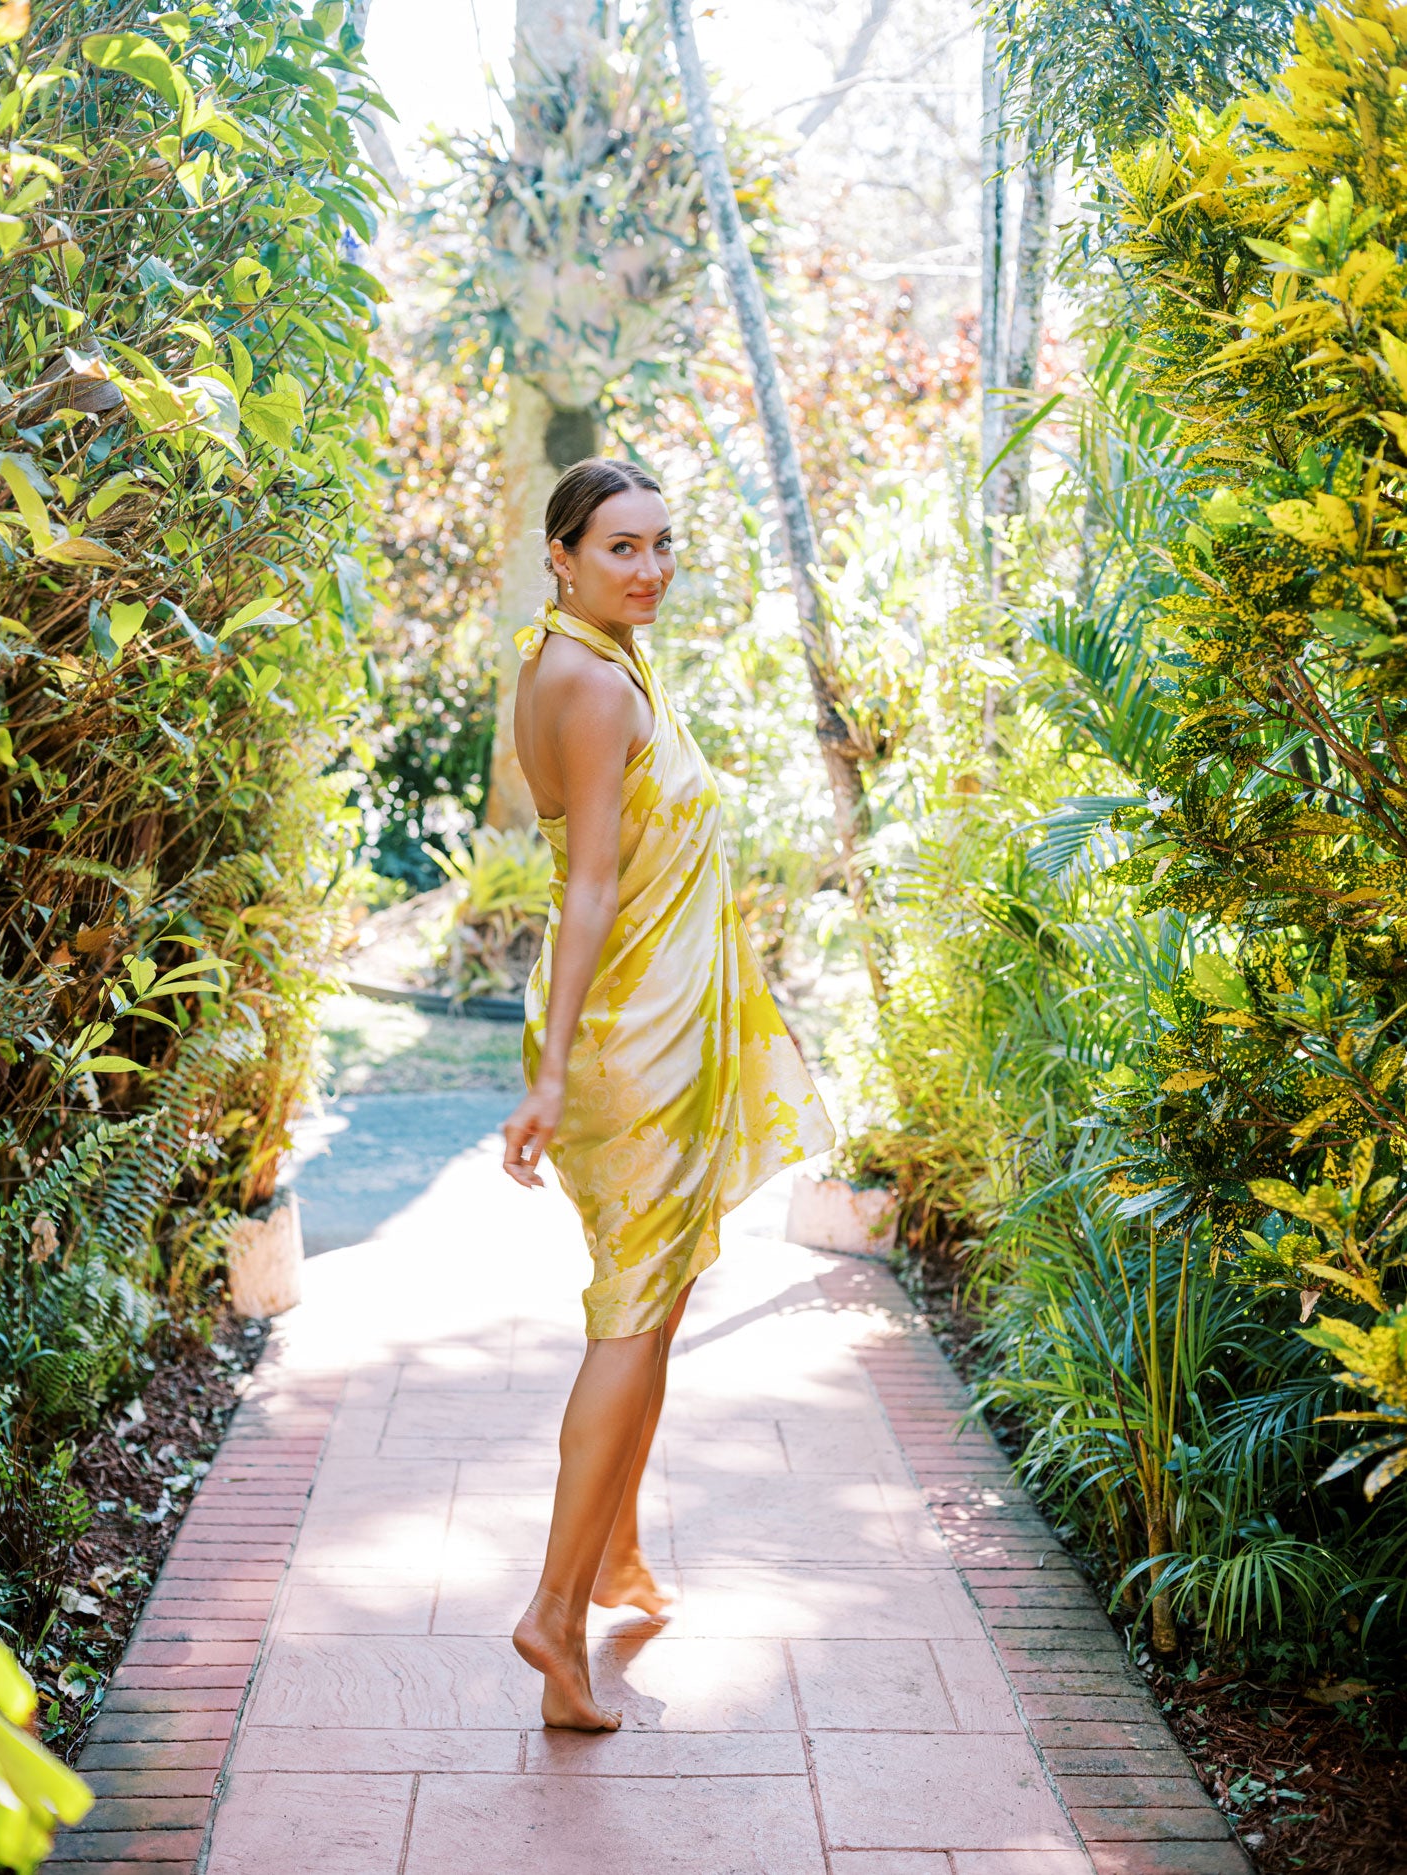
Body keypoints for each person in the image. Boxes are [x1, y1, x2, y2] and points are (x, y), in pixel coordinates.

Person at [500, 457, 834, 1731]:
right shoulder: (587, 680)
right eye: (621, 548)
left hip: (663, 1019)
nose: (649, 569)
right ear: (564, 556)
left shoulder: (590, 652)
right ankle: (553, 1611)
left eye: (661, 545)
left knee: (665, 1291)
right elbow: (588, 885)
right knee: (631, 1317)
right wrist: (550, 1073)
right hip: (628, 1039)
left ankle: (620, 1555)